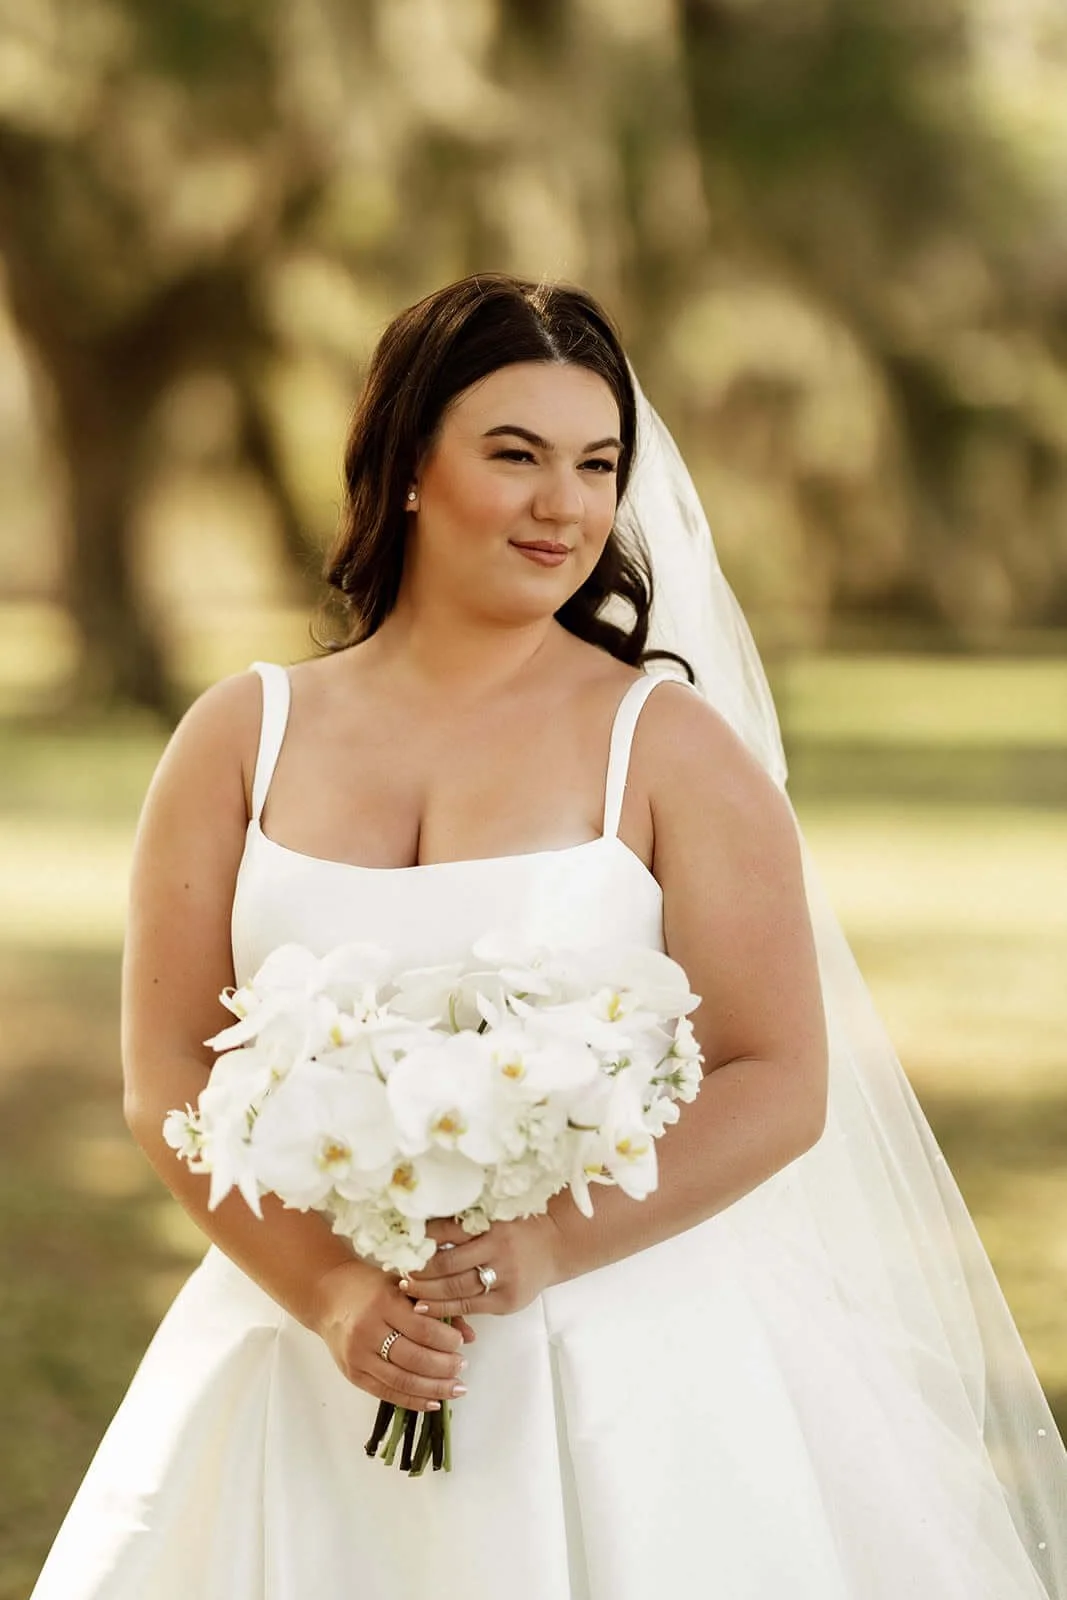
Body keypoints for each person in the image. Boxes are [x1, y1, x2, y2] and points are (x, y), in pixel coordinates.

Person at [31, 273, 1066, 1599]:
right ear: (410, 467)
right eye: (514, 455)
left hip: (606, 1366)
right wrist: (333, 1293)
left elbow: (777, 1077)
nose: (563, 505)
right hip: (296, 1343)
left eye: (596, 464)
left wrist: (550, 1247)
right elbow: (168, 1069)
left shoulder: (671, 749)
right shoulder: (241, 735)